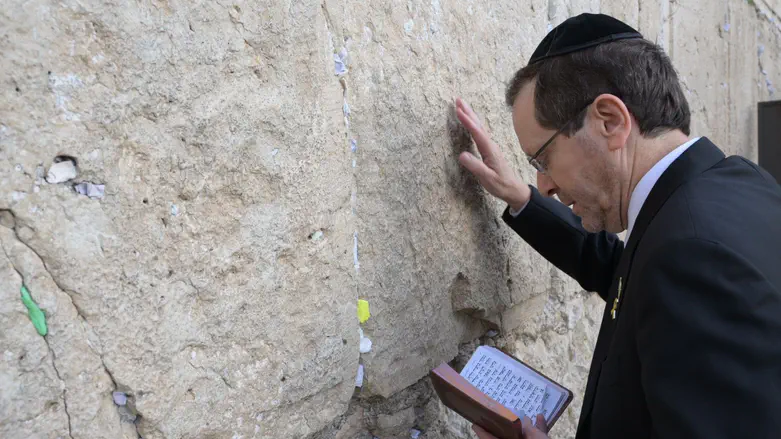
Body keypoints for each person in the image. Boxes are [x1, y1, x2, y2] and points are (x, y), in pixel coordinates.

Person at [456, 13, 781, 439]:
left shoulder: (688, 257)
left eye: (543, 160)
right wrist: (523, 201)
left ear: (610, 120)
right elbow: (631, 276)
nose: (545, 184)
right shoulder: (734, 185)